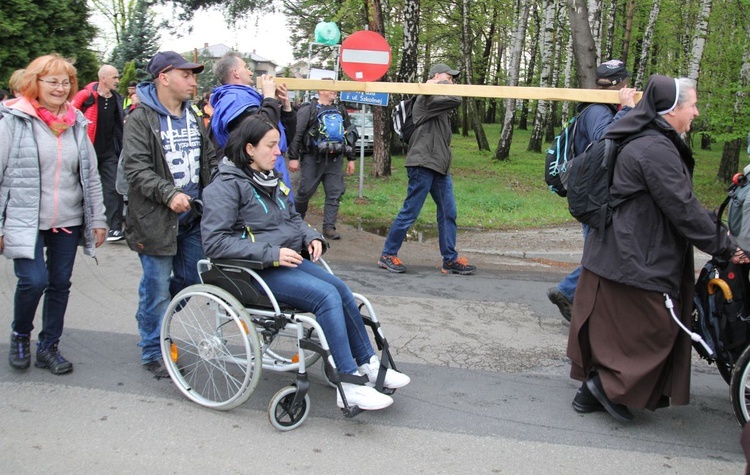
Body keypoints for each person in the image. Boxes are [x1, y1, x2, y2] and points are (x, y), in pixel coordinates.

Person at [566, 74, 748, 422]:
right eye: (692, 105)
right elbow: (683, 208)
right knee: (657, 328)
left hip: (624, 251)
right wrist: (725, 245)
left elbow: (681, 203)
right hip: (634, 256)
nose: (696, 113)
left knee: (621, 329)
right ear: (669, 110)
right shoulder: (653, 148)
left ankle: (596, 390)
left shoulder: (649, 139)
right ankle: (601, 388)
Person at [200, 115, 410, 410]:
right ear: (249, 149)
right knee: (325, 296)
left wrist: (312, 236)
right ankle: (348, 384)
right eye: (271, 146)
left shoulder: (268, 178)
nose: (278, 152)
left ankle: (368, 364)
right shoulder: (225, 186)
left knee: (339, 288)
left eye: (278, 146)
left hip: (282, 261)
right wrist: (271, 254)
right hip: (251, 272)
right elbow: (215, 242)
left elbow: (292, 219)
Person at [1, 54, 107, 374]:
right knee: (34, 281)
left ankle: (49, 346)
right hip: (24, 218)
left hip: (68, 218)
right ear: (35, 83)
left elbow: (90, 175)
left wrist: (99, 219)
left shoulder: (76, 121)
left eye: (66, 82)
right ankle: (21, 334)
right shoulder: (13, 121)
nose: (60, 88)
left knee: (60, 283)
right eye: (53, 82)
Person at [121, 51, 218, 378]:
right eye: (187, 75)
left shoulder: (192, 115)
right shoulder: (140, 118)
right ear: (164, 77)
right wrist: (169, 193)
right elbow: (136, 169)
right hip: (155, 222)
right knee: (157, 286)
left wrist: (222, 189)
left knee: (193, 278)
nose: (194, 81)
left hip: (193, 219)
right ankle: (152, 349)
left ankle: (153, 311)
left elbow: (209, 160)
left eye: (194, 76)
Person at [546, 59, 637, 321]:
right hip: (592, 195)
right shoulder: (598, 110)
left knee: (603, 251)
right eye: (626, 82)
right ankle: (568, 292)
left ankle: (576, 297)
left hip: (592, 190)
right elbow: (606, 138)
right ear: (621, 84)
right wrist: (626, 110)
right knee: (602, 253)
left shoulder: (598, 106)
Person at [378, 63, 476, 275]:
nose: (452, 81)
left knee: (449, 211)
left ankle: (449, 259)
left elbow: (453, 98)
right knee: (411, 211)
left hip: (439, 165)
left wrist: (440, 83)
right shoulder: (424, 98)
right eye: (448, 76)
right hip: (422, 163)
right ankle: (387, 254)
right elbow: (457, 98)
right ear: (436, 76)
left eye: (452, 78)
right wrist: (436, 84)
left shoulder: (437, 101)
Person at [209, 51, 295, 201]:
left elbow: (283, 137)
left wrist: (286, 108)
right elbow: (260, 134)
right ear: (235, 72)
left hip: (271, 171)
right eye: (245, 67)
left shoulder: (248, 97)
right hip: (255, 178)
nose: (250, 72)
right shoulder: (234, 100)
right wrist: (268, 98)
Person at [287, 80, 356, 240]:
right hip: (313, 158)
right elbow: (297, 133)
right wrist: (293, 157)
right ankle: (296, 224)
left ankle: (329, 228)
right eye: (331, 88)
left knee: (334, 193)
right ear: (320, 90)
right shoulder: (308, 109)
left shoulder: (340, 110)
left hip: (335, 159)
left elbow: (349, 135)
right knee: (305, 192)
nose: (335, 91)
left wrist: (351, 159)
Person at [72, 65, 125, 242]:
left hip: (109, 151)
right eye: (114, 77)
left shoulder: (117, 98)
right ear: (103, 78)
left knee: (113, 188)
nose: (117, 81)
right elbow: (70, 115)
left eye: (118, 78)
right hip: (88, 150)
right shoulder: (86, 95)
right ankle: (81, 229)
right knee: (82, 188)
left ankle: (115, 229)